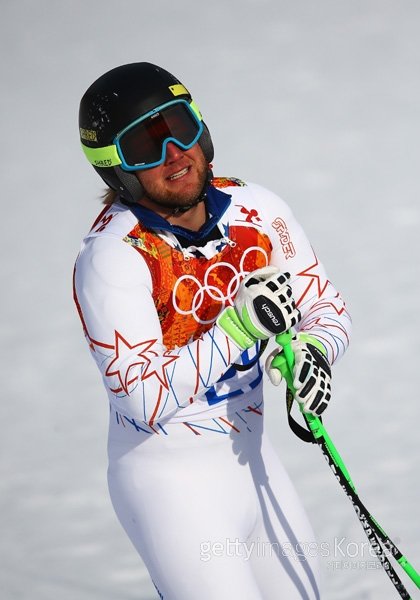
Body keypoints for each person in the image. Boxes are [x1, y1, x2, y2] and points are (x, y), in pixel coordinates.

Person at [74, 62, 351, 600]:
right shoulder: (113, 257)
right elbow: (142, 398)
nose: (174, 153)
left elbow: (326, 305)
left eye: (180, 126)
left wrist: (314, 350)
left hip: (254, 462)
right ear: (116, 169)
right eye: (145, 146)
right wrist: (239, 328)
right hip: (169, 486)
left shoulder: (257, 209)